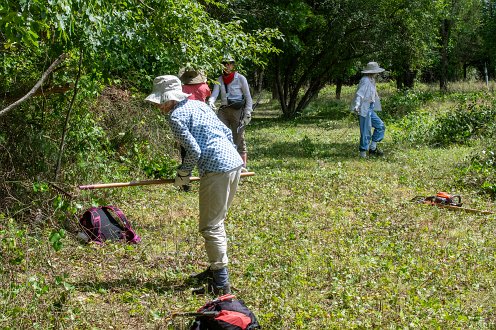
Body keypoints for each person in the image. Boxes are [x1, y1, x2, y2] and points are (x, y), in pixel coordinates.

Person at [145, 75, 244, 295]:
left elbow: (194, 151)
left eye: (160, 101)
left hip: (216, 169)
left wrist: (183, 174)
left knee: (211, 226)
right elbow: (227, 133)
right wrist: (233, 158)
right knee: (217, 221)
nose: (159, 106)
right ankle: (213, 272)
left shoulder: (175, 117)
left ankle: (220, 283)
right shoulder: (199, 106)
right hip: (234, 163)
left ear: (169, 99)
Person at [208, 57, 253, 169]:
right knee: (220, 134)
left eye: (230, 64)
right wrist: (210, 101)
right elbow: (214, 94)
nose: (227, 66)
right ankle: (225, 164)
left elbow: (248, 96)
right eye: (225, 64)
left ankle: (242, 166)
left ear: (233, 65)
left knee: (238, 137)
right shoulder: (219, 79)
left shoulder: (240, 78)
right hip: (223, 110)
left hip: (238, 110)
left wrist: (248, 112)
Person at [177, 69, 212, 192]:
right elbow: (207, 96)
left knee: (186, 153)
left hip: (186, 122)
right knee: (203, 151)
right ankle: (206, 178)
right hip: (201, 122)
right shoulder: (204, 86)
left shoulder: (181, 88)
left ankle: (184, 183)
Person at [351, 61, 386, 158]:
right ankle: (363, 154)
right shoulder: (365, 80)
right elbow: (359, 94)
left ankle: (373, 148)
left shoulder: (372, 80)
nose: (377, 73)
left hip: (370, 108)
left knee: (380, 126)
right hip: (364, 108)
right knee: (366, 131)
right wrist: (357, 105)